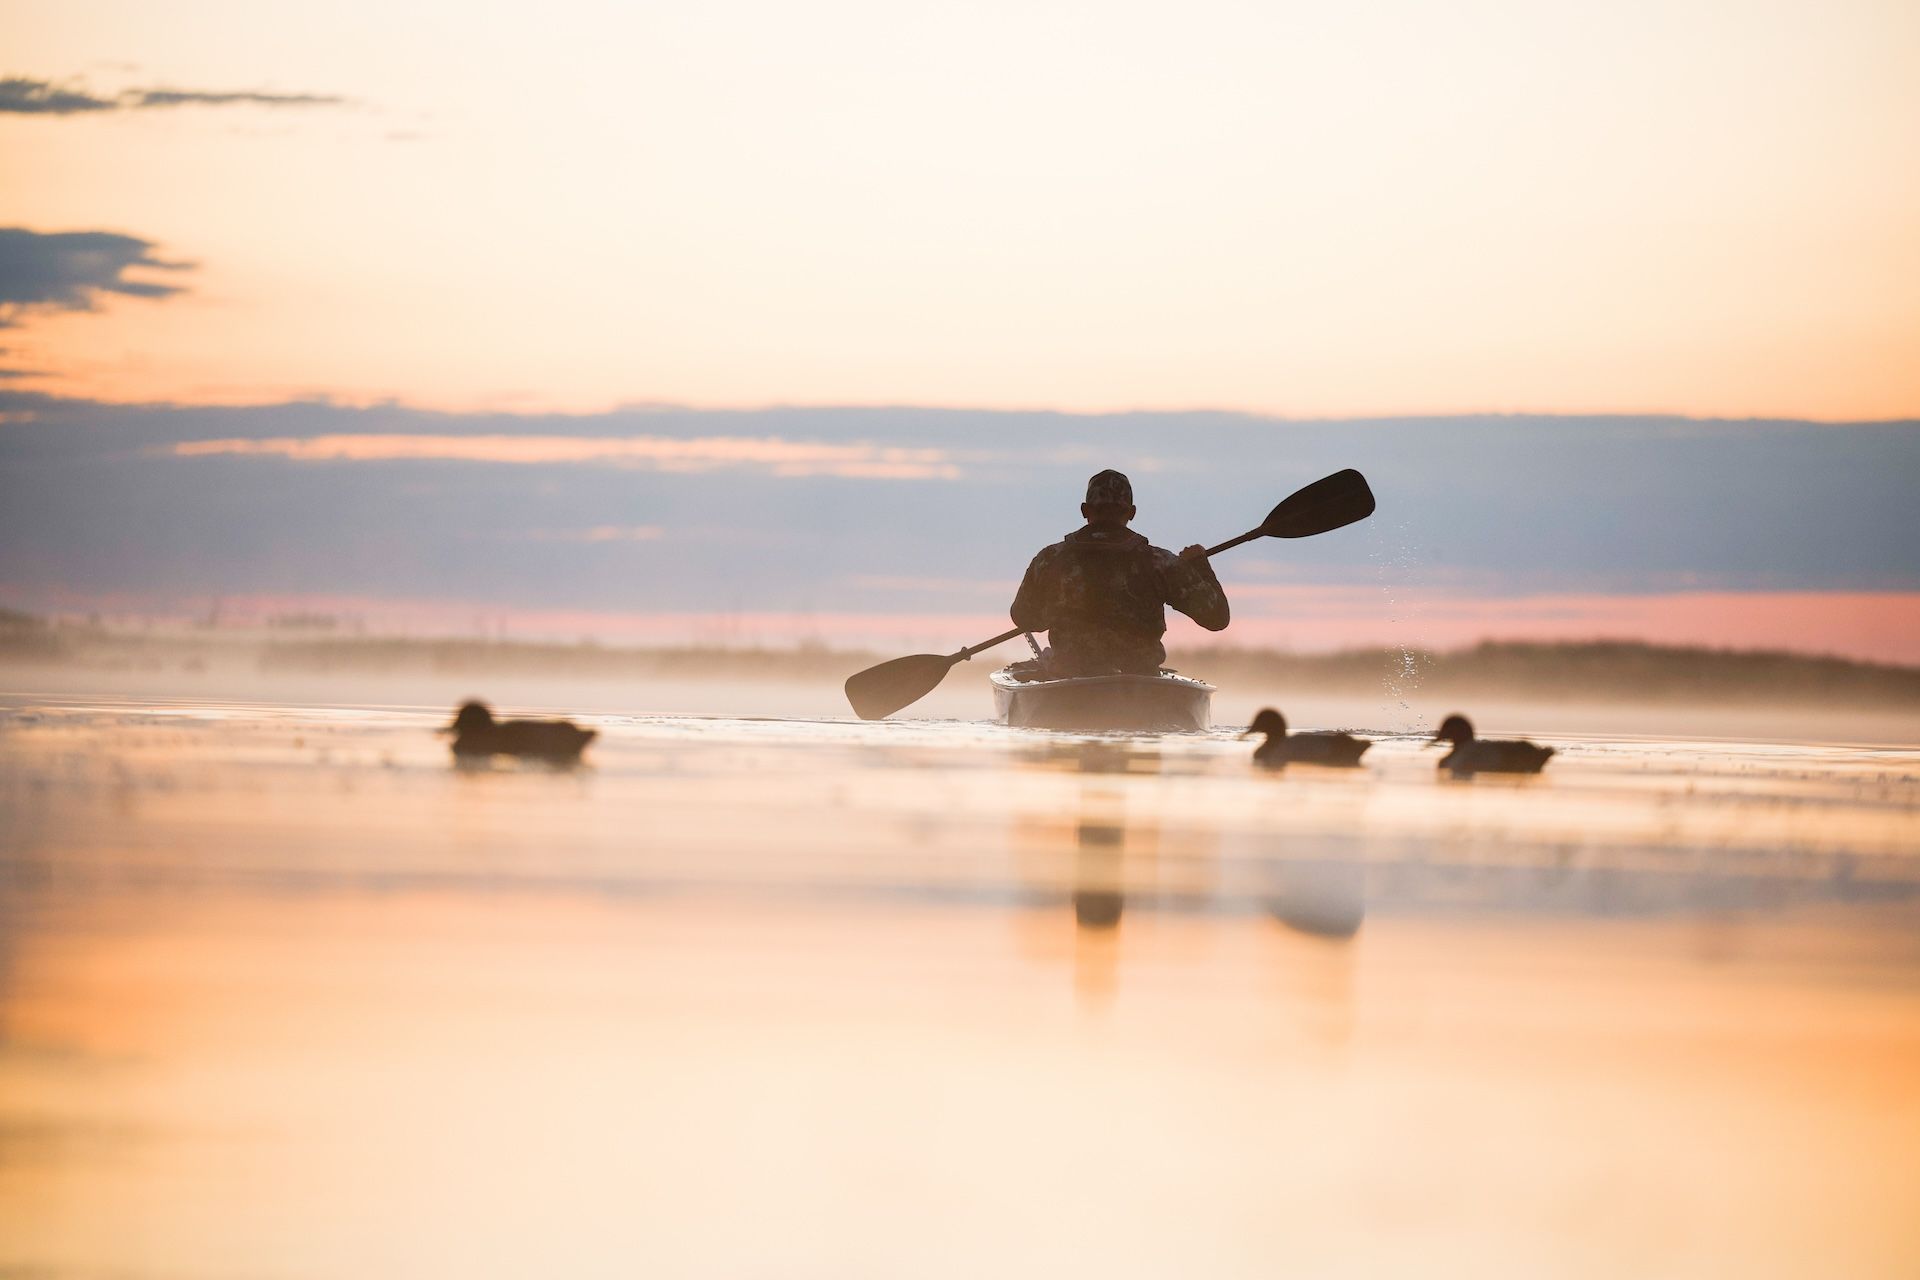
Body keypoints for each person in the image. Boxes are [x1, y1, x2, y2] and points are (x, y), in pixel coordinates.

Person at [1009, 470, 1229, 677]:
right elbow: (1217, 618)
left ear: (1084, 510)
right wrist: (1200, 565)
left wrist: (1057, 611)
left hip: (1069, 673)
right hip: (1140, 679)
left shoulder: (1049, 560)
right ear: (1132, 513)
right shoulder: (1160, 563)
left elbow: (1024, 617)